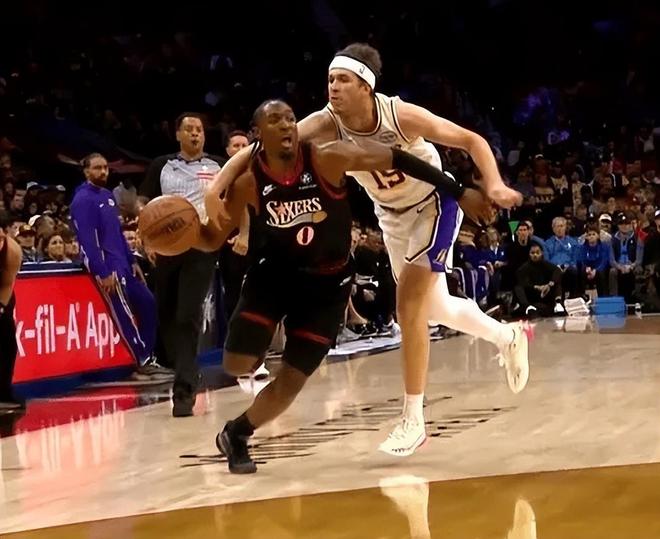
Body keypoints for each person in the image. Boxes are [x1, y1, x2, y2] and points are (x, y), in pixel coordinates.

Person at [208, 43, 530, 457]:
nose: (333, 87)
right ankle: (506, 335)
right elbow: (260, 151)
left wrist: (494, 184)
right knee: (433, 308)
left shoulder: (400, 115)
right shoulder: (325, 122)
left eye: (343, 80)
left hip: (433, 204)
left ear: (366, 86)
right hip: (390, 217)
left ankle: (413, 419)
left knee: (408, 307)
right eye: (330, 79)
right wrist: (217, 188)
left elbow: (470, 139)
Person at [139, 113, 226, 417]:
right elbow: (143, 203)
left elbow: (234, 198)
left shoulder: (218, 165)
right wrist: (147, 238)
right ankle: (186, 368)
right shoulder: (161, 165)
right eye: (189, 129)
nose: (195, 134)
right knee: (166, 314)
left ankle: (184, 390)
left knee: (188, 314)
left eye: (199, 129)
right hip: (166, 247)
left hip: (202, 244)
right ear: (177, 134)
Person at [71, 153, 159, 378]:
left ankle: (148, 355)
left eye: (105, 168)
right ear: (86, 171)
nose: (103, 172)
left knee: (148, 303)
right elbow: (88, 241)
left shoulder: (108, 195)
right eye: (97, 168)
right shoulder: (82, 200)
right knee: (125, 315)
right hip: (108, 266)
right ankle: (141, 360)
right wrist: (102, 271)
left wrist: (132, 260)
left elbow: (117, 233)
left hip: (123, 263)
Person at [0, 226, 23, 409]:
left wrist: (1, 307)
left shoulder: (12, 251)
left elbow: (7, 284)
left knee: (7, 340)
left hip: (2, 290)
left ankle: (3, 392)